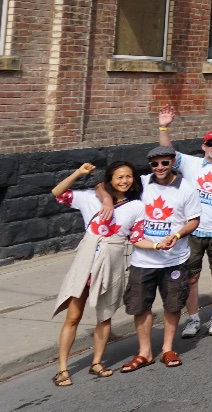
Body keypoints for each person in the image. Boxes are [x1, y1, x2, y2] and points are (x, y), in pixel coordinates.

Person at [50, 162, 146, 385]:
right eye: (119, 177)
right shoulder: (90, 199)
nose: (124, 181)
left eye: (128, 177)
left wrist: (159, 246)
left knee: (104, 316)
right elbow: (58, 193)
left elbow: (137, 237)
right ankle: (62, 368)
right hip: (86, 265)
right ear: (110, 180)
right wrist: (78, 174)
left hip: (112, 263)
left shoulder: (137, 207)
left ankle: (97, 362)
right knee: (73, 316)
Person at [158, 106, 212, 339]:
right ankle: (193, 318)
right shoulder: (191, 164)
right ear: (203, 146)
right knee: (191, 277)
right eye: (211, 143)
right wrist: (164, 126)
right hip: (193, 230)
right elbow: (167, 152)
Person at [125, 147, 201, 373]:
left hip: (174, 258)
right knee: (140, 306)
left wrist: (177, 235)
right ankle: (144, 352)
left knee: (173, 304)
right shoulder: (141, 182)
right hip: (143, 258)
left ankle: (168, 348)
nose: (159, 168)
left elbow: (194, 220)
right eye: (154, 164)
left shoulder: (186, 188)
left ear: (172, 162)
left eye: (164, 163)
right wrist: (108, 202)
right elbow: (108, 186)